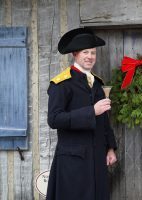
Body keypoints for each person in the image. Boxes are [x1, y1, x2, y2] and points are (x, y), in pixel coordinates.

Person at [46, 27, 117, 200]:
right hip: (73, 160)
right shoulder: (61, 84)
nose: (90, 56)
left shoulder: (98, 83)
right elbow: (54, 119)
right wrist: (91, 111)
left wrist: (110, 147)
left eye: (93, 52)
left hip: (97, 158)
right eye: (85, 52)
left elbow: (104, 121)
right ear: (75, 54)